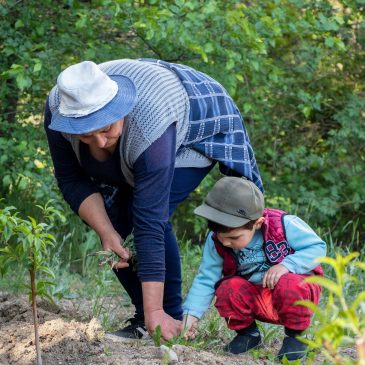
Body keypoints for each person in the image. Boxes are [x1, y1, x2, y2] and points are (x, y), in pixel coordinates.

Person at [43, 58, 264, 340]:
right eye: (87, 135)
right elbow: (71, 179)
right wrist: (106, 232)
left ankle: (165, 317)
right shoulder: (58, 109)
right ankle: (146, 317)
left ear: (119, 109)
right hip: (147, 124)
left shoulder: (151, 122)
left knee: (140, 219)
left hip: (196, 124)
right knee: (114, 224)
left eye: (106, 129)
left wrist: (155, 310)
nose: (99, 142)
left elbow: (150, 220)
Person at [182, 177, 326, 361]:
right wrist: (190, 315)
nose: (226, 242)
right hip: (256, 297)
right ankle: (248, 335)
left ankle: (296, 338)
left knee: (289, 283)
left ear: (257, 223)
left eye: (234, 237)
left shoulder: (284, 224)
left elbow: (318, 248)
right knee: (227, 288)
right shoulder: (217, 240)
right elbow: (206, 279)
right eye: (221, 236)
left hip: (295, 293)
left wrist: (286, 265)